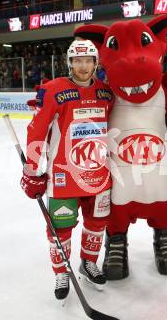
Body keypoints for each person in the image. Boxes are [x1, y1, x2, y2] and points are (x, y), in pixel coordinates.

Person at [20, 39, 114, 300]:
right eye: (77, 61)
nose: (83, 66)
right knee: (60, 229)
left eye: (88, 61)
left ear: (96, 63)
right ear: (70, 63)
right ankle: (61, 272)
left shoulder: (106, 92)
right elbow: (37, 129)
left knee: (97, 223)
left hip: (98, 173)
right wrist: (31, 169)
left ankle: (89, 262)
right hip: (63, 175)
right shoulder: (54, 90)